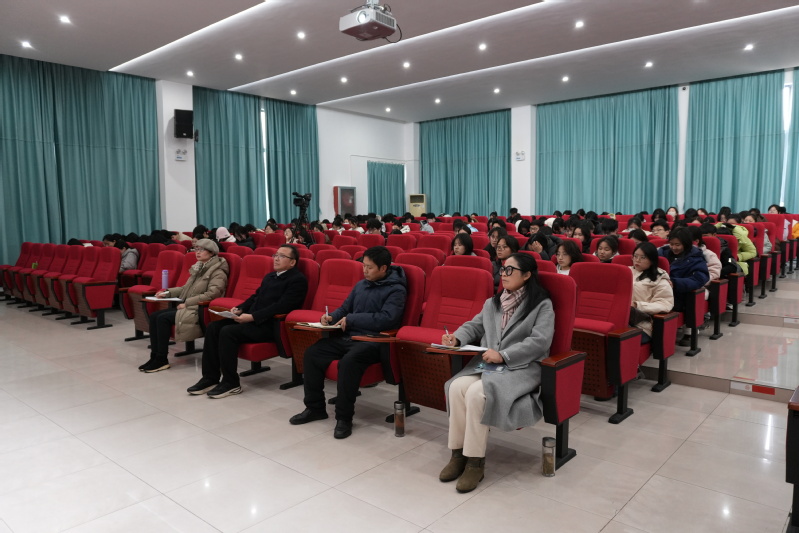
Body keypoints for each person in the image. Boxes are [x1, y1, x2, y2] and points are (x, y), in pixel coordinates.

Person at [438, 253, 554, 493]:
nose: (504, 275)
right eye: (502, 270)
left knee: (476, 393)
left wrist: (504, 355)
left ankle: (475, 462)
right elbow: (474, 326)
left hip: (520, 367)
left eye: (510, 270)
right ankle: (458, 454)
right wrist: (456, 338)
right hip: (490, 365)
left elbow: (540, 341)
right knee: (456, 387)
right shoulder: (493, 303)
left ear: (527, 275)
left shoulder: (541, 305)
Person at [290, 246, 407, 439]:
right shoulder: (361, 285)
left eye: (369, 267)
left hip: (372, 340)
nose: (365, 270)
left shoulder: (396, 290)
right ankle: (315, 408)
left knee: (348, 362)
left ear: (383, 268)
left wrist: (352, 319)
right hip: (348, 337)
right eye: (364, 266)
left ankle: (344, 418)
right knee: (312, 353)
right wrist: (331, 317)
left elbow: (387, 319)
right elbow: (345, 308)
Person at [187, 245, 308, 398]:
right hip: (253, 321)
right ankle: (210, 378)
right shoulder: (270, 276)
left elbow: (282, 306)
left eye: (282, 256)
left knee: (228, 331)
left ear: (292, 262)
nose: (276, 259)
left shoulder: (297, 280)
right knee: (213, 327)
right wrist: (240, 308)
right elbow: (255, 297)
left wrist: (252, 317)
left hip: (271, 325)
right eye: (275, 255)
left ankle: (231, 383)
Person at [139, 239, 229, 373]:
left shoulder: (218, 271)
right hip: (190, 306)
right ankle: (155, 356)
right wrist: (167, 293)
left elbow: (212, 295)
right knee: (154, 316)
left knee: (162, 318)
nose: (197, 252)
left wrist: (187, 303)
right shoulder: (199, 267)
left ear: (211, 253)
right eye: (196, 249)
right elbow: (185, 288)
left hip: (200, 309)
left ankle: (161, 359)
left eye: (201, 250)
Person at [629, 243, 674, 343]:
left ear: (652, 260)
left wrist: (637, 305)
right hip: (621, 319)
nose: (637, 260)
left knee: (615, 339)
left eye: (643, 257)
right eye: (635, 256)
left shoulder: (659, 279)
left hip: (641, 324)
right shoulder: (626, 272)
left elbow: (665, 304)